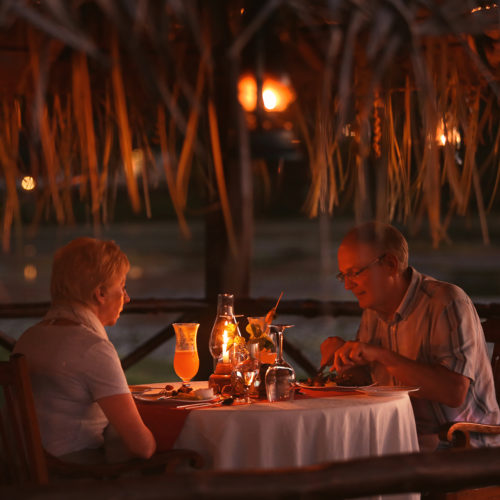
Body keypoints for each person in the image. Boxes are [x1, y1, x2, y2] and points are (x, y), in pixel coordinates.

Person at [320, 221, 500, 450]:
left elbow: (453, 392)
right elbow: (367, 381)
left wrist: (381, 355)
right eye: (342, 276)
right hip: (402, 440)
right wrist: (345, 359)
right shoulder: (373, 311)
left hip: (464, 447)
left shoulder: (446, 302)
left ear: (390, 264)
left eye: (354, 273)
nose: (347, 286)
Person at [14, 237, 156, 463]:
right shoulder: (92, 349)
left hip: (21, 475)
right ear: (100, 293)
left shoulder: (28, 339)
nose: (126, 298)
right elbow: (142, 447)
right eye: (122, 286)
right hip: (75, 479)